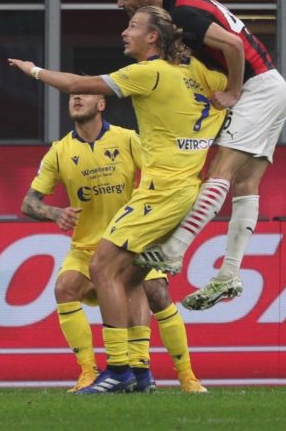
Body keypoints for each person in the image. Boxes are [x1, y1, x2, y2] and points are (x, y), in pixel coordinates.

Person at [10, 6, 225, 393]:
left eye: (133, 25)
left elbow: (77, 81)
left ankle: (125, 370)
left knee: (116, 272)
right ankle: (134, 372)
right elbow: (234, 71)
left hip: (160, 196)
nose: (125, 32)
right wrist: (238, 84)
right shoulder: (198, 74)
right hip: (177, 194)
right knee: (121, 279)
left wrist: (34, 71)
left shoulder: (147, 78)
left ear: (154, 37)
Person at [111, 0, 286, 310]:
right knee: (245, 184)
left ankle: (174, 252)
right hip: (272, 87)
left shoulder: (181, 12)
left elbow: (233, 45)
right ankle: (229, 273)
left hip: (257, 89)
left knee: (220, 172)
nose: (120, 4)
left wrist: (234, 92)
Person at [23, 93, 206, 393]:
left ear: (101, 104)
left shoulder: (127, 139)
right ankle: (89, 371)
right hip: (86, 247)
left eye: (85, 93)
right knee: (64, 288)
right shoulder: (58, 151)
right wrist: (54, 213)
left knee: (156, 291)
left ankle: (185, 375)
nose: (76, 97)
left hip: (131, 239)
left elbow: (157, 175)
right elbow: (29, 203)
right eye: (72, 95)